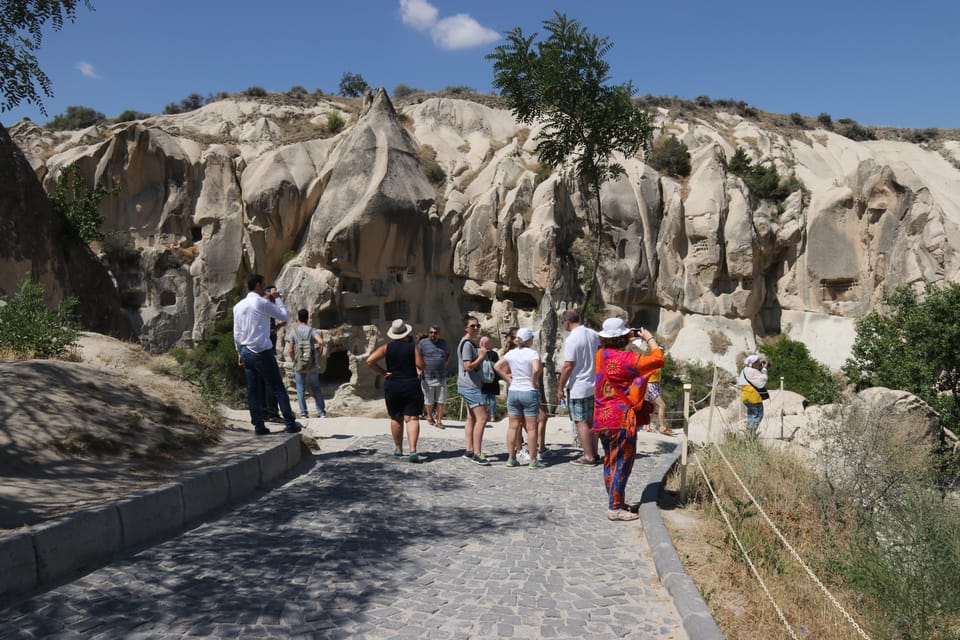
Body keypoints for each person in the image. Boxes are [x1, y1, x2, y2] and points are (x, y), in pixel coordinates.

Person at [593, 318, 664, 521]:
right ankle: (615, 508)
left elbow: (608, 345)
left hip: (602, 417)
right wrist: (649, 338)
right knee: (623, 463)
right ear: (623, 337)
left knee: (610, 461)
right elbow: (658, 359)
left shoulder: (601, 354)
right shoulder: (626, 359)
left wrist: (625, 336)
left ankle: (615, 501)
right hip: (621, 419)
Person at [233, 274, 301, 435]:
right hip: (261, 351)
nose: (264, 288)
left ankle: (259, 426)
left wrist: (239, 352)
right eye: (263, 285)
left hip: (246, 350)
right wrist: (277, 298)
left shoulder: (238, 306)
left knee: (253, 390)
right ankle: (290, 423)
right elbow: (284, 316)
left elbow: (237, 333)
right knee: (278, 387)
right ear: (257, 285)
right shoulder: (261, 303)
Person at [366, 319, 426, 463]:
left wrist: (383, 372)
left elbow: (370, 360)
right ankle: (412, 450)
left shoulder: (386, 348)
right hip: (411, 384)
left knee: (396, 418)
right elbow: (421, 365)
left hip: (393, 385)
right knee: (412, 418)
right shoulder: (413, 348)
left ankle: (398, 448)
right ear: (406, 332)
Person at [495, 328, 544, 469]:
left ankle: (511, 458)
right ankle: (533, 460)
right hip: (528, 391)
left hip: (514, 390)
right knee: (531, 427)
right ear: (529, 340)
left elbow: (497, 366)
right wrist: (533, 381)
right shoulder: (532, 353)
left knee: (513, 426)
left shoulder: (511, 353)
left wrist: (508, 380)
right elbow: (536, 369)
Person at [557, 309, 601, 466]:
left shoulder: (572, 339)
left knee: (580, 421)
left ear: (566, 321)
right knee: (591, 420)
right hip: (594, 383)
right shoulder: (593, 334)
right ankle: (594, 453)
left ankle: (588, 456)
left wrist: (560, 387)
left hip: (579, 386)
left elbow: (568, 365)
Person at [457, 314, 490, 465]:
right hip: (470, 386)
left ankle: (469, 449)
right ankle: (477, 453)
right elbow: (468, 366)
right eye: (473, 326)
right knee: (482, 418)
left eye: (478, 326)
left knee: (471, 417)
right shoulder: (467, 344)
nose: (476, 328)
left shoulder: (467, 342)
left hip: (466, 385)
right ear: (466, 328)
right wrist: (481, 356)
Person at [287, 308, 327, 419]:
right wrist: (318, 352)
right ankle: (321, 412)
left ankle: (304, 413)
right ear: (308, 317)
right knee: (315, 387)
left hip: (299, 363)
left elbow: (290, 349)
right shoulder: (312, 330)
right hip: (312, 362)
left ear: (298, 318)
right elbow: (321, 342)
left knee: (300, 388)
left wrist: (294, 360)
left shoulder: (294, 332)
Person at [259, 285, 284, 422]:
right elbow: (268, 331)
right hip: (266, 350)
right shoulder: (266, 307)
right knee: (272, 382)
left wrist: (278, 327)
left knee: (262, 382)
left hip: (259, 349)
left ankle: (263, 413)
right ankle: (272, 413)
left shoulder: (260, 308)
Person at [418, 324, 450, 429]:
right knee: (429, 400)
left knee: (442, 400)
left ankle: (439, 420)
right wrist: (418, 369)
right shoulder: (423, 343)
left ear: (439, 334)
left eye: (435, 333)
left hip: (441, 376)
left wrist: (445, 363)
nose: (433, 334)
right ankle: (430, 416)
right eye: (431, 332)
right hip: (427, 376)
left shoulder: (443, 343)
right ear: (428, 333)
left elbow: (448, 353)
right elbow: (417, 356)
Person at [738, 354, 769, 437]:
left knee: (751, 416)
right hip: (753, 396)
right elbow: (763, 380)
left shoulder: (744, 370)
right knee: (758, 415)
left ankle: (748, 435)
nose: (759, 363)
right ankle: (750, 436)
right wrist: (765, 369)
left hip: (745, 396)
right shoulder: (752, 371)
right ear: (754, 363)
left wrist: (762, 369)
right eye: (757, 361)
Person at [479, 336, 501, 425]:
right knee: (492, 399)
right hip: (493, 380)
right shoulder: (494, 354)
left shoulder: (480, 352)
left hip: (483, 380)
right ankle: (492, 416)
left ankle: (483, 415)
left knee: (483, 399)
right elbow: (498, 366)